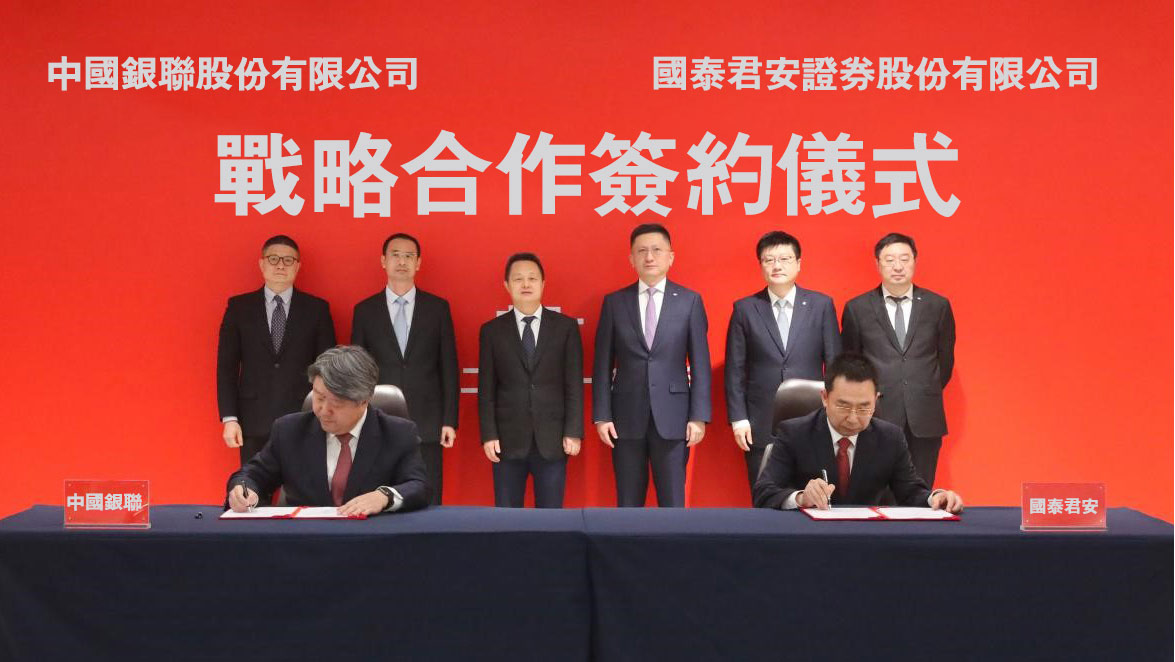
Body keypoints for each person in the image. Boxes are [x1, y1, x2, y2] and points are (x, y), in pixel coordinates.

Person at [226, 345, 428, 515]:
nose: (323, 410)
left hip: (369, 539)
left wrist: (383, 496)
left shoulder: (398, 433)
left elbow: (419, 485)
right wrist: (244, 489)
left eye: (336, 403)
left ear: (364, 401)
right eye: (319, 397)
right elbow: (252, 475)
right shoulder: (289, 431)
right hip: (305, 540)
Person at [753, 352, 963, 512]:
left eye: (864, 408)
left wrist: (936, 498)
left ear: (876, 399)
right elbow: (764, 493)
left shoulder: (890, 438)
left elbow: (911, 492)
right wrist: (801, 498)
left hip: (868, 538)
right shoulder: (794, 433)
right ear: (825, 397)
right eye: (843, 406)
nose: (853, 418)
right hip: (810, 537)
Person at [592, 223, 711, 507]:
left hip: (674, 418)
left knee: (672, 502)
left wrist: (698, 416)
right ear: (631, 259)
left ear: (671, 257)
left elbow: (700, 363)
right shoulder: (615, 303)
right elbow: (602, 364)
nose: (649, 257)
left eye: (657, 250)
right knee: (628, 503)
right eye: (641, 251)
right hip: (625, 419)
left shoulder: (689, 301)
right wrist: (602, 416)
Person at [724, 230, 840, 495]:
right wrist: (739, 418)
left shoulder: (821, 305)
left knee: (815, 497)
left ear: (799, 263)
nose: (777, 266)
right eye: (769, 260)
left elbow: (834, 364)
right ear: (761, 265)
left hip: (814, 420)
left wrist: (835, 414)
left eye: (785, 259)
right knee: (765, 495)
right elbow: (735, 370)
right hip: (761, 422)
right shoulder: (745, 309)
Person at [841, 232, 956, 488]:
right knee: (877, 491)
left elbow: (945, 361)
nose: (898, 266)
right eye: (890, 259)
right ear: (877, 264)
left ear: (915, 261)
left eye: (904, 259)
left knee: (921, 490)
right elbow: (850, 363)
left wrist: (923, 389)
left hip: (924, 415)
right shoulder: (857, 308)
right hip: (876, 415)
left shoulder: (937, 306)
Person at [351, 233, 458, 505]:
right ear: (383, 261)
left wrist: (449, 420)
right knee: (379, 500)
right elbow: (358, 372)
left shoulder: (437, 308)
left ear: (418, 263)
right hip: (378, 421)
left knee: (429, 498)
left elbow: (448, 367)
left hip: (428, 421)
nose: (402, 262)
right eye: (395, 255)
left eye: (409, 256)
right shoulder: (365, 310)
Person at [216, 235, 336, 471]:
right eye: (273, 259)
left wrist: (326, 415)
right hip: (253, 420)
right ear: (262, 264)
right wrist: (230, 418)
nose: (281, 265)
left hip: (304, 418)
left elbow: (327, 369)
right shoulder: (239, 308)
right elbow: (227, 367)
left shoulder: (317, 309)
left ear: (298, 266)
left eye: (288, 260)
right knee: (253, 489)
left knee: (302, 490)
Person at [478, 253, 583, 508]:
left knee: (551, 518)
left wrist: (573, 431)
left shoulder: (565, 328)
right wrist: (489, 435)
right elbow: (487, 390)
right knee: (507, 516)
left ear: (543, 284)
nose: (526, 284)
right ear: (507, 285)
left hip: (553, 439)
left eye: (532, 278)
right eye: (518, 279)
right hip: (507, 441)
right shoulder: (492, 331)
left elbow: (573, 385)